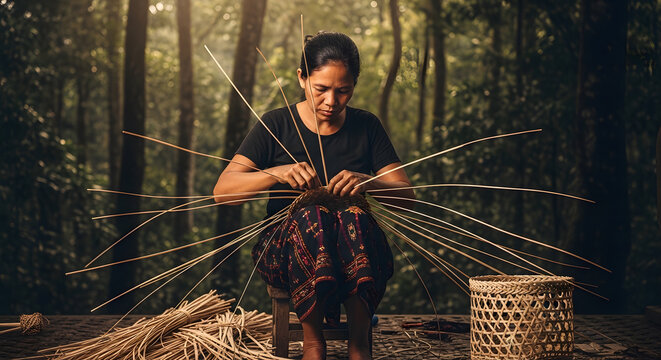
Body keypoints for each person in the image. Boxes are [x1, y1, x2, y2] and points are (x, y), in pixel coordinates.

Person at [213, 32, 415, 360]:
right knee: (313, 216)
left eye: (343, 90)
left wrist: (369, 182)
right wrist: (273, 173)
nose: (331, 101)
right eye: (320, 89)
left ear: (354, 84)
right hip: (284, 253)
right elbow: (223, 193)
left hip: (356, 254)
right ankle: (313, 343)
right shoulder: (276, 124)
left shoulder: (367, 126)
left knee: (354, 215)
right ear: (301, 77)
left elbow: (407, 197)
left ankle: (359, 343)